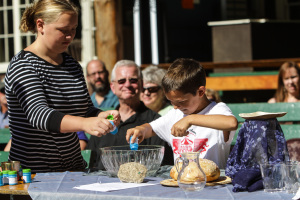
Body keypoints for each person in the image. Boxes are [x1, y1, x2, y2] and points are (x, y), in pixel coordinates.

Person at [4, 0, 119, 173]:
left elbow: (84, 109)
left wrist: (100, 115)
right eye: (63, 30)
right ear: (41, 25)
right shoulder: (23, 65)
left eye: (74, 29)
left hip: (73, 170)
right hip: (34, 173)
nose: (70, 36)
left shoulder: (72, 65)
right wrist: (85, 123)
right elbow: (39, 115)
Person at [126, 58, 238, 169]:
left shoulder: (217, 109)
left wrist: (190, 119)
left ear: (201, 92)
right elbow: (150, 128)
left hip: (212, 183)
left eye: (181, 102)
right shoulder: (175, 114)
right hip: (182, 182)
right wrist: (140, 130)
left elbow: (231, 123)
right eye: (171, 101)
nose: (175, 106)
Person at [87, 60, 173, 170]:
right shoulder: (103, 121)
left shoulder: (155, 122)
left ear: (141, 84)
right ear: (113, 87)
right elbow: (90, 162)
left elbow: (161, 167)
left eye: (133, 80)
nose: (127, 85)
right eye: (122, 81)